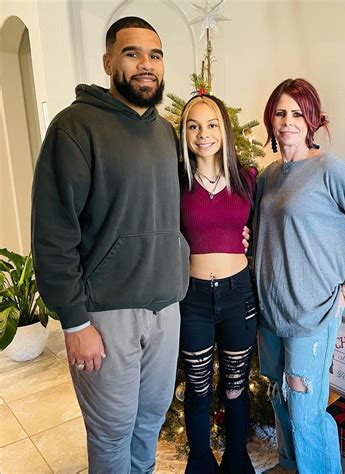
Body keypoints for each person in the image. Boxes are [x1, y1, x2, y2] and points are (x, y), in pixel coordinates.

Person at [31, 17, 190, 473]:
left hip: (165, 309)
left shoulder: (164, 132)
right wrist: (74, 322)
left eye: (155, 55)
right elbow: (53, 232)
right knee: (111, 432)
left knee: (150, 422)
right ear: (108, 62)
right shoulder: (74, 127)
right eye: (132, 53)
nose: (146, 64)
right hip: (106, 315)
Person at [253, 78, 345, 474]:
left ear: (312, 120)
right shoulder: (268, 176)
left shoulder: (329, 169)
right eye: (281, 113)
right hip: (270, 313)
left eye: (298, 114)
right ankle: (290, 466)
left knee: (305, 409)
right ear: (271, 119)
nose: (288, 122)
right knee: (280, 399)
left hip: (312, 314)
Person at [178, 94, 258, 474]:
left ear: (224, 130)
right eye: (193, 126)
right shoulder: (177, 182)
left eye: (211, 125)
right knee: (197, 389)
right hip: (192, 299)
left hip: (238, 296)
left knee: (235, 387)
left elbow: (263, 228)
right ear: (184, 134)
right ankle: (200, 463)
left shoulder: (247, 179)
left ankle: (236, 461)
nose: (203, 134)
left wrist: (250, 238)